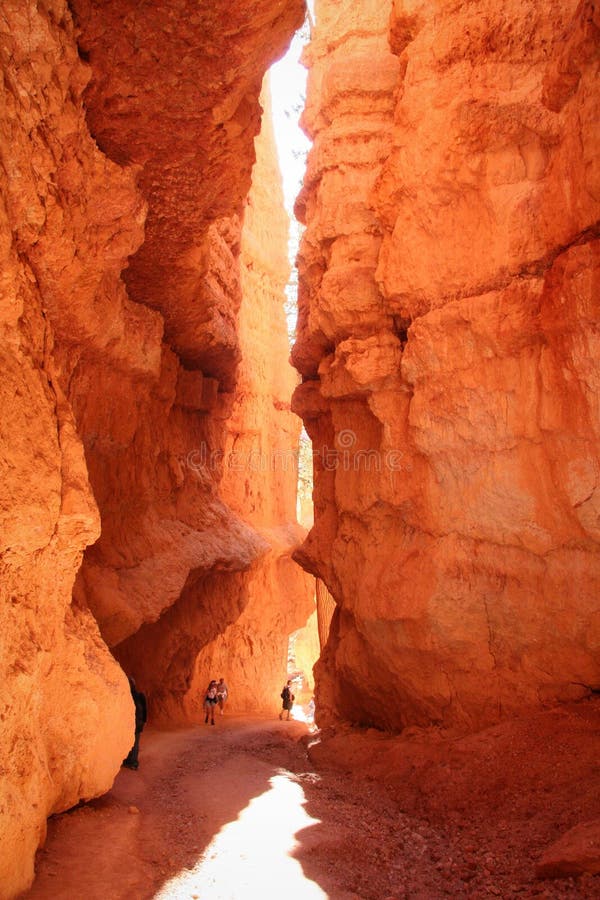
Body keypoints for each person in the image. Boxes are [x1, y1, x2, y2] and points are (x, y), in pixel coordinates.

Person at [122, 677, 147, 770]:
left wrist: (144, 721)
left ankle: (133, 762)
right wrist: (144, 721)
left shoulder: (134, 696)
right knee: (131, 742)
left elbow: (144, 710)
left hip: (135, 723)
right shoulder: (136, 695)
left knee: (135, 743)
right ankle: (130, 760)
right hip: (134, 723)